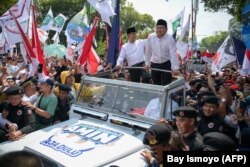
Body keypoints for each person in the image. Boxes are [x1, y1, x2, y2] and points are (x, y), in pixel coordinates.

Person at [145, 19, 179, 85]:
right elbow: (148, 51)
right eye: (157, 28)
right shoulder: (150, 37)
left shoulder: (170, 39)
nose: (159, 30)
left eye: (161, 28)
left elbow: (173, 54)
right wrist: (147, 64)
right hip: (154, 64)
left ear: (166, 30)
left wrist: (175, 68)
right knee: (156, 84)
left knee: (166, 84)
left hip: (166, 64)